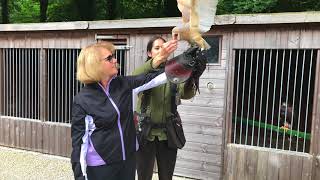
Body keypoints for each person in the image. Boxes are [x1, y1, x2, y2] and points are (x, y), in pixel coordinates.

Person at [71, 41, 177, 180]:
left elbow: (154, 78)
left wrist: (185, 60)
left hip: (128, 161)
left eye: (113, 56)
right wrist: (80, 176)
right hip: (101, 166)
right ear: (94, 65)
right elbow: (80, 144)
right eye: (109, 58)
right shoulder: (83, 100)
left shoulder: (123, 84)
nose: (115, 60)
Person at [133, 36, 197, 180]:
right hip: (145, 133)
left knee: (167, 176)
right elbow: (133, 79)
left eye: (164, 47)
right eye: (157, 48)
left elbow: (186, 94)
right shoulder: (144, 72)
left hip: (168, 133)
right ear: (149, 53)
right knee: (143, 176)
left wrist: (193, 76)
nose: (161, 51)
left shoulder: (175, 71)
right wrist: (157, 60)